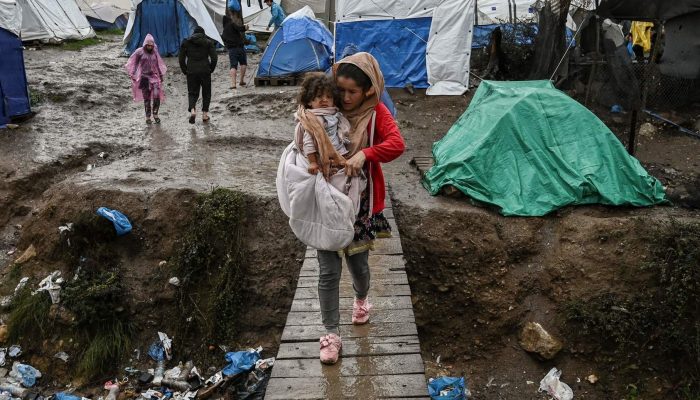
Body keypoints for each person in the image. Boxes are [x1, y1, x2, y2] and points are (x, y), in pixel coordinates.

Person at [316, 52, 405, 365]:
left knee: (358, 266)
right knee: (327, 272)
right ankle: (330, 335)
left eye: (352, 91)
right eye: (340, 89)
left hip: (361, 207)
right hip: (325, 204)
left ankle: (361, 298)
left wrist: (366, 154)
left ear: (368, 90)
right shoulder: (328, 107)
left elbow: (397, 144)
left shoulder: (377, 113)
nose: (345, 97)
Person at [295, 72, 350, 176]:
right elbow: (309, 141)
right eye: (319, 96)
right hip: (321, 155)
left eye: (329, 97)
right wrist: (313, 162)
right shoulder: (314, 119)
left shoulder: (333, 113)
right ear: (309, 101)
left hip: (337, 152)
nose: (324, 99)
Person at [179, 26, 217, 124]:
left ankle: (192, 111)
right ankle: (204, 115)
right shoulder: (208, 42)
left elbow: (181, 58)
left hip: (191, 70)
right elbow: (214, 57)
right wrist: (211, 69)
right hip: (205, 70)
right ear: (203, 33)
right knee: (206, 92)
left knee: (192, 92)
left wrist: (185, 70)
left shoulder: (186, 42)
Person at [125, 34, 167, 124]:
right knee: (147, 98)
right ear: (145, 44)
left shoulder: (155, 52)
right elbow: (134, 63)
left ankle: (155, 114)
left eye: (151, 45)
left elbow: (157, 65)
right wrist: (132, 73)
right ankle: (148, 117)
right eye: (148, 45)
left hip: (154, 77)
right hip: (144, 78)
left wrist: (160, 75)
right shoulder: (139, 52)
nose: (149, 47)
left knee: (157, 96)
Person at [222, 19, 248, 89]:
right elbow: (239, 28)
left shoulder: (224, 31)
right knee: (243, 63)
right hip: (240, 47)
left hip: (232, 49)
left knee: (233, 66)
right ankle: (241, 81)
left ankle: (233, 84)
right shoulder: (232, 24)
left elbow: (224, 40)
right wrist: (245, 27)